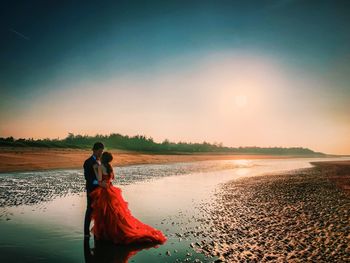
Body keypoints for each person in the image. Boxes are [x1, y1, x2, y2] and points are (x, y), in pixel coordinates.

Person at [89, 151, 167, 245]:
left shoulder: (100, 167)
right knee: (114, 214)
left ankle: (108, 234)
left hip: (105, 191)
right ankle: (109, 233)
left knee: (106, 214)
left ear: (103, 158)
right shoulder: (110, 168)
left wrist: (95, 170)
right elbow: (111, 180)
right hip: (111, 190)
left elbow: (100, 181)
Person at [83, 142, 105, 237]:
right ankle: (86, 233)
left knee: (99, 210)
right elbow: (88, 179)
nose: (101, 153)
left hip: (100, 190)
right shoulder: (88, 162)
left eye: (102, 151)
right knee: (90, 210)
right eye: (100, 151)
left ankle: (97, 231)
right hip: (91, 190)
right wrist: (99, 183)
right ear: (94, 150)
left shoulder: (99, 161)